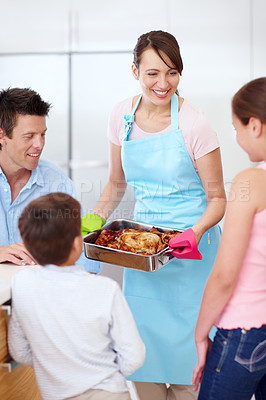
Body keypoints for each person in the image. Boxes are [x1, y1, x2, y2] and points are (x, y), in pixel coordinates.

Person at [81, 30, 226, 400]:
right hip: (143, 255)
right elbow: (116, 183)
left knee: (188, 368)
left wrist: (193, 232)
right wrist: (93, 220)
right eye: (152, 74)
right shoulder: (121, 116)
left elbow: (218, 200)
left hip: (192, 258)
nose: (163, 84)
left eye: (172, 73)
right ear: (135, 71)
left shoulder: (194, 123)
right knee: (142, 359)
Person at [8, 192, 145, 400]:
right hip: (108, 391)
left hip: (56, 394)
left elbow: (19, 352)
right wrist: (101, 372)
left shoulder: (21, 285)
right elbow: (133, 356)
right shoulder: (105, 290)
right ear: (77, 245)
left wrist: (56, 368)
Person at [192, 77, 266, 400]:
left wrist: (200, 333)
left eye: (236, 129)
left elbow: (224, 276)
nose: (236, 138)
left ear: (255, 126)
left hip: (243, 333)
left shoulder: (250, 182)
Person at [0, 87, 99, 272]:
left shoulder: (57, 183)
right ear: (2, 136)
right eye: (29, 136)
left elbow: (86, 261)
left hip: (41, 296)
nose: (39, 145)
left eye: (42, 134)